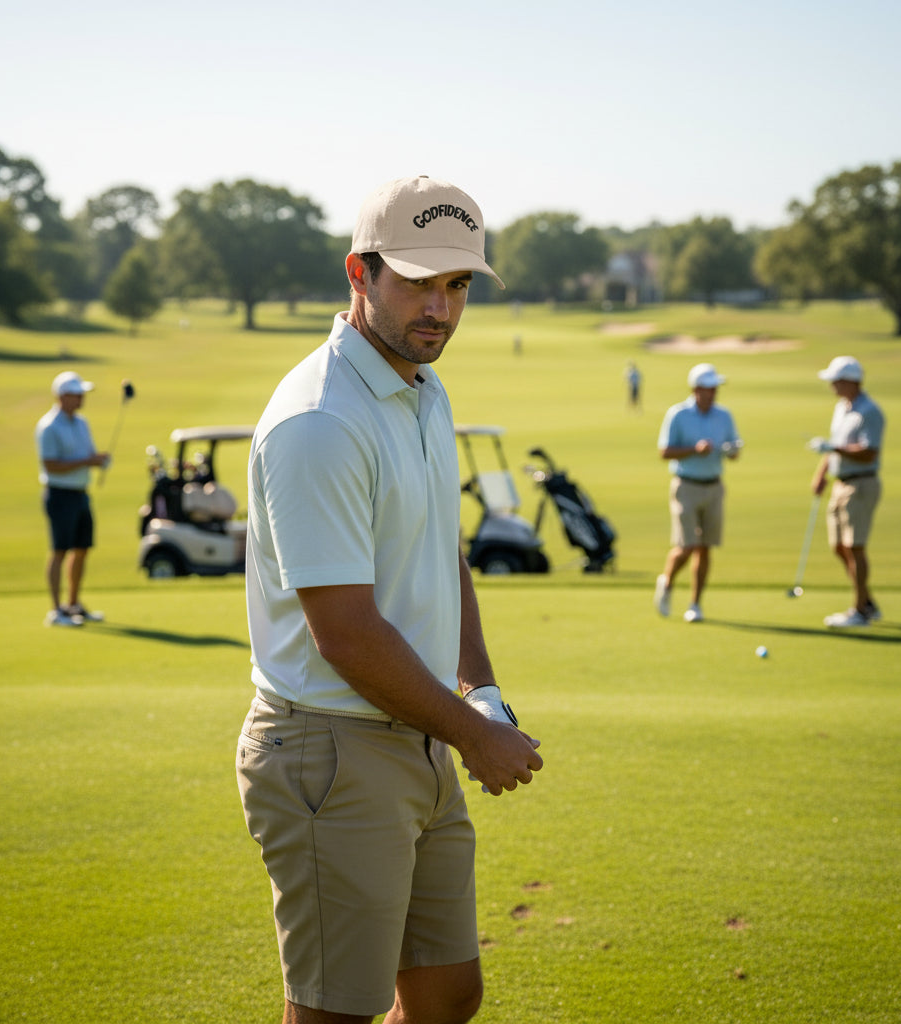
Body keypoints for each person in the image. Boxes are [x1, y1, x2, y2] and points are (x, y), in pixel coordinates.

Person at [236, 175, 544, 1024]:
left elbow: (437, 549)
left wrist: (476, 687)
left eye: (458, 286)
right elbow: (345, 634)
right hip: (331, 748)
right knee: (337, 1013)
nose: (439, 308)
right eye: (416, 281)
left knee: (447, 996)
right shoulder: (320, 420)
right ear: (359, 274)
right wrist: (476, 735)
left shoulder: (419, 386)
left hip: (418, 729)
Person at [654, 362, 741, 623]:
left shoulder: (724, 415)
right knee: (687, 545)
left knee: (705, 547)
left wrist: (731, 451)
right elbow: (665, 451)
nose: (712, 393)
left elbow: (735, 449)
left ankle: (695, 604)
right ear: (695, 389)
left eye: (715, 388)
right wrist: (695, 449)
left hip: (714, 485)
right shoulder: (678, 414)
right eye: (707, 388)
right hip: (686, 485)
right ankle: (667, 582)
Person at [808, 356, 885, 628]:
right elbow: (836, 445)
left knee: (855, 547)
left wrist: (833, 449)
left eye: (836, 381)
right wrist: (821, 474)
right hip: (840, 483)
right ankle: (867, 602)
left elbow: (868, 452)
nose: (832, 385)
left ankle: (859, 611)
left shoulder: (869, 411)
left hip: (862, 483)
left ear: (851, 381)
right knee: (839, 547)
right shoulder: (842, 407)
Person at [35, 371, 110, 626]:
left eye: (81, 395)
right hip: (58, 494)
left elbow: (86, 454)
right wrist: (88, 462)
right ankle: (56, 611)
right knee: (59, 551)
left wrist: (97, 460)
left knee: (81, 550)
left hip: (80, 494)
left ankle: (73, 604)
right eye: (76, 395)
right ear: (62, 396)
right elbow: (51, 465)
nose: (81, 399)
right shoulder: (48, 426)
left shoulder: (81, 423)